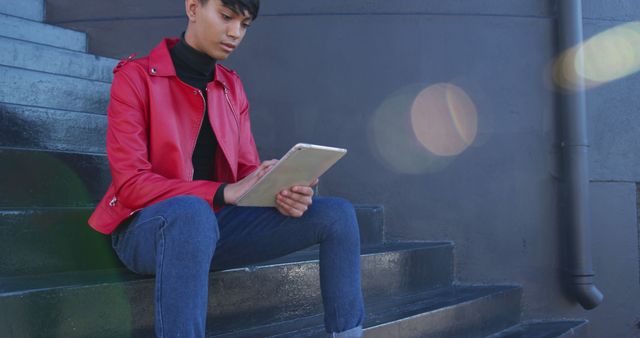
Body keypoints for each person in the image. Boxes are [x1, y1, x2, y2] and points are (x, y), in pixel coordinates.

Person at [87, 0, 365, 337]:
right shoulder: (135, 78)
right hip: (147, 231)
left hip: (214, 227)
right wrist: (221, 192)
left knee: (338, 215)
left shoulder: (231, 87)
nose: (235, 33)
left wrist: (279, 188)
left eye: (244, 24)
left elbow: (245, 172)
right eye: (226, 17)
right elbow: (131, 184)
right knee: (192, 213)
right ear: (192, 8)